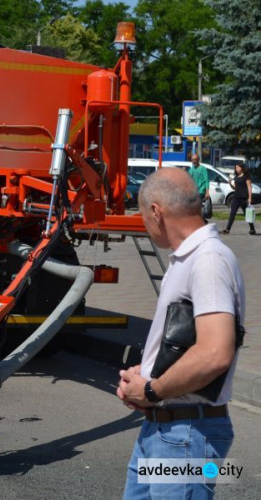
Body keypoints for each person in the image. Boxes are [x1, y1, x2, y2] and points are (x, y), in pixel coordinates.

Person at [118, 168, 243, 499]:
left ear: (157, 212)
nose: (144, 223)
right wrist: (143, 375)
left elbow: (215, 352)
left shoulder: (208, 260)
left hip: (187, 434)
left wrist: (153, 389)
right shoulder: (189, 259)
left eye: (143, 215)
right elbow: (186, 340)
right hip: (169, 429)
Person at [221, 162, 256, 235]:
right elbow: (235, 187)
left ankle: (252, 229)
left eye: (238, 167)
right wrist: (230, 183)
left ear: (242, 168)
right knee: (232, 214)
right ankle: (227, 230)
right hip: (236, 198)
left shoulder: (247, 176)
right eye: (236, 168)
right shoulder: (236, 177)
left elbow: (249, 187)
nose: (236, 169)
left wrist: (250, 198)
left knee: (247, 214)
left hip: (243, 198)